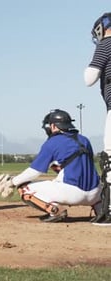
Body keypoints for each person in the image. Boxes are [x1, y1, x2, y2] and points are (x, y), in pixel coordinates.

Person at [0, 109, 102, 223]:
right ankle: (100, 209)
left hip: (72, 194)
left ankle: (55, 210)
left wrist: (13, 182)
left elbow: (34, 172)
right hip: (95, 194)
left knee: (24, 189)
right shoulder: (84, 139)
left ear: (53, 126)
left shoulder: (53, 142)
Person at [84, 12, 111, 223]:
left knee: (110, 157)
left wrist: (99, 51)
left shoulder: (106, 43)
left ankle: (109, 210)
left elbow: (89, 78)